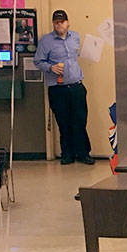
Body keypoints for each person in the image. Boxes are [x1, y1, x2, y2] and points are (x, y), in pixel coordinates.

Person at [32, 9, 93, 165]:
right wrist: (50, 68)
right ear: (54, 24)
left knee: (80, 121)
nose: (59, 25)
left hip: (76, 86)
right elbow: (38, 61)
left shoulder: (76, 37)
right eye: (56, 22)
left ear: (68, 22)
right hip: (58, 89)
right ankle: (67, 154)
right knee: (63, 122)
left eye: (62, 22)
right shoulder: (46, 41)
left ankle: (83, 153)